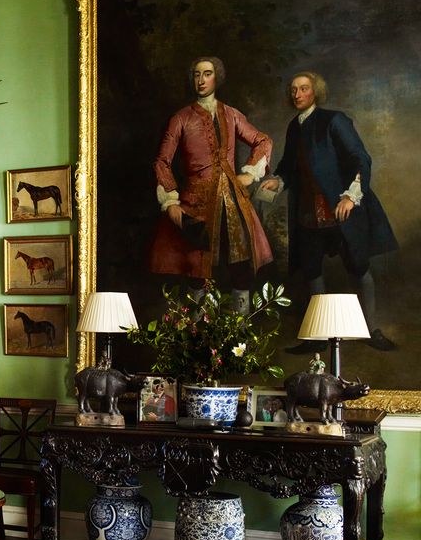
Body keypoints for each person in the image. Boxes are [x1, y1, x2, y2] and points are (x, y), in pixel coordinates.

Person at [261, 71, 398, 351]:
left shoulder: (334, 120)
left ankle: (371, 330)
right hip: (309, 213)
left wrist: (350, 197)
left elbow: (361, 159)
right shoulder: (293, 127)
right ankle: (316, 338)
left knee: (358, 266)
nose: (297, 94)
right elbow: (289, 166)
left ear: (315, 92)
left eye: (304, 89)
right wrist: (279, 179)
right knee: (311, 269)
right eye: (293, 90)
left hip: (341, 209)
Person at [149, 57, 274, 312]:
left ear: (217, 77)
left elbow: (263, 141)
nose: (201, 80)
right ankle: (198, 339)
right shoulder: (181, 118)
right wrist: (171, 201)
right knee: (198, 270)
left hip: (233, 205)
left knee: (240, 269)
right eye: (197, 74)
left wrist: (249, 175)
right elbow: (162, 161)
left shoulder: (232, 114)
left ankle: (240, 339)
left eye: (207, 74)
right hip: (196, 205)